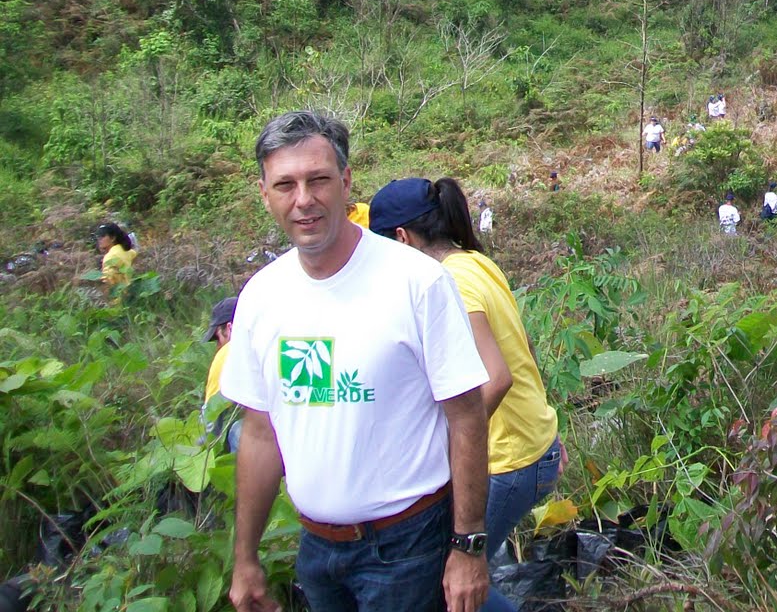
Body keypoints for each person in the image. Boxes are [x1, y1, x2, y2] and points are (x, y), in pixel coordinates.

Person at [222, 111, 491, 612]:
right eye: (285, 185)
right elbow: (260, 434)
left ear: (345, 182)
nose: (304, 199)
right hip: (317, 550)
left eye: (318, 180)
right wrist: (245, 557)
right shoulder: (260, 298)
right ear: (264, 193)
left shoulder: (417, 282)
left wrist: (468, 545)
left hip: (408, 546)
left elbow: (467, 415)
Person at [369, 178, 565, 612]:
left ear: (401, 238)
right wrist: (546, 430)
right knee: (458, 582)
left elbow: (497, 378)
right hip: (530, 447)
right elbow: (523, 350)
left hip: (507, 460)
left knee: (452, 584)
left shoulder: (448, 281)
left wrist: (444, 448)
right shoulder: (475, 261)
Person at [202, 296, 241, 453]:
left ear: (229, 328)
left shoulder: (227, 353)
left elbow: (210, 419)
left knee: (238, 431)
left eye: (218, 338)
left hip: (268, 440)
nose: (218, 346)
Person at [94, 222, 137, 289]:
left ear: (113, 238)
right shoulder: (125, 250)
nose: (99, 239)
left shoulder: (110, 257)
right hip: (129, 289)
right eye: (98, 236)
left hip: (119, 293)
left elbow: (107, 282)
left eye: (102, 235)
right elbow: (134, 253)